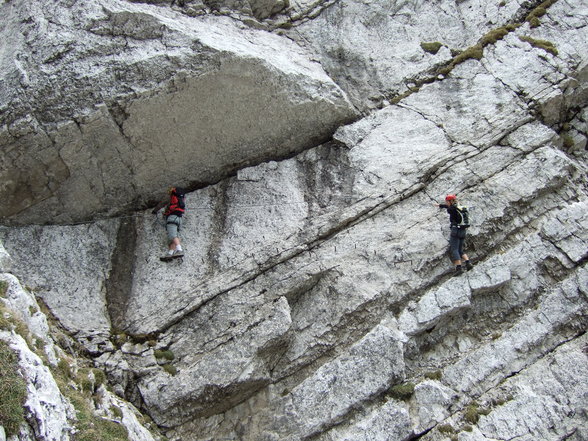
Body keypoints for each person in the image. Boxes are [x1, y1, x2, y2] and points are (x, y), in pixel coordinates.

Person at [436, 194, 473, 275]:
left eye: (447, 201)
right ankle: (468, 263)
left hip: (455, 230)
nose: (446, 203)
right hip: (463, 230)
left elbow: (449, 209)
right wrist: (440, 205)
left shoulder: (452, 209)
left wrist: (443, 206)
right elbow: (449, 207)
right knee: (460, 250)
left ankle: (459, 268)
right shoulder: (460, 207)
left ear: (450, 201)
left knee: (454, 249)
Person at [152, 187, 186, 261]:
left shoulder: (171, 198)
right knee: (174, 237)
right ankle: (170, 254)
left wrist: (155, 211)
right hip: (179, 219)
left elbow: (161, 204)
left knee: (173, 235)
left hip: (172, 218)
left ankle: (179, 250)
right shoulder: (181, 199)